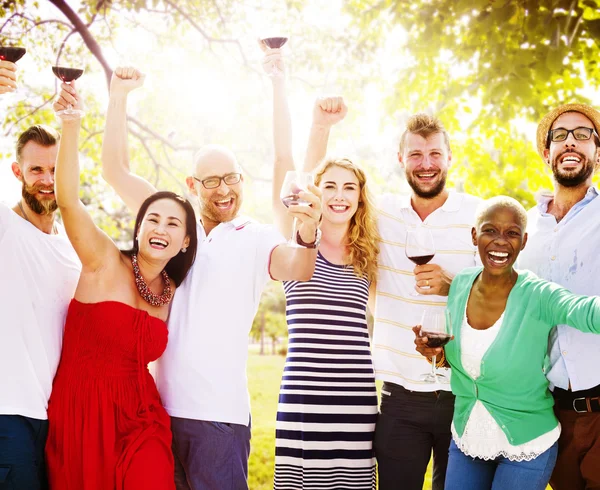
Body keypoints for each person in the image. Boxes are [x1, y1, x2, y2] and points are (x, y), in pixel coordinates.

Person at [101, 67, 323, 490]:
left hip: (219, 421)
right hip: (158, 415)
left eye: (233, 177)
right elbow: (115, 170)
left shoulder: (255, 237)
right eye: (212, 181)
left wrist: (309, 232)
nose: (225, 189)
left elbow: (300, 267)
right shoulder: (172, 226)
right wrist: (119, 96)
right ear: (192, 184)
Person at [302, 97, 481, 488]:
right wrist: (320, 128)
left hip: (464, 393)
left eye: (435, 153)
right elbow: (314, 195)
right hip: (399, 397)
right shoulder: (377, 217)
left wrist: (455, 286)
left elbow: (503, 295)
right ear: (400, 158)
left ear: (450, 157)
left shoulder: (479, 216)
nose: (426, 163)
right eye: (415, 154)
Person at [44, 80, 198, 490]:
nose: (159, 228)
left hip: (140, 416)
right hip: (81, 410)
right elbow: (69, 200)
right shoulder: (103, 261)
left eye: (172, 223)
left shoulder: (170, 291)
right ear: (139, 225)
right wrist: (71, 123)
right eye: (152, 218)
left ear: (185, 241)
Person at [414, 195, 600, 490]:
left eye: (511, 233)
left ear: (524, 241)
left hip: (525, 445)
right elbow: (465, 358)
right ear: (475, 235)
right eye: (490, 230)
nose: (500, 241)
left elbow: (587, 312)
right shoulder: (461, 284)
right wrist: (435, 353)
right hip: (468, 437)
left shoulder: (538, 295)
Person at [263, 45, 379, 489]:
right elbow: (289, 166)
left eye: (349, 187)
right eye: (329, 185)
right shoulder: (296, 235)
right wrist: (317, 125)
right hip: (305, 399)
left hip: (356, 401)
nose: (338, 194)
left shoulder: (370, 254)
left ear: (359, 199)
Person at [0, 60, 81, 490]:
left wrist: (72, 122)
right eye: (36, 170)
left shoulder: (73, 248)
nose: (47, 180)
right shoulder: (6, 229)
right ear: (17, 172)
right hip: (7, 413)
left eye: (54, 169)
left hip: (55, 419)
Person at [518, 103, 600, 490]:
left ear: (597, 153)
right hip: (552, 414)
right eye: (560, 135)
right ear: (546, 152)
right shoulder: (523, 228)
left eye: (583, 134)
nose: (571, 142)